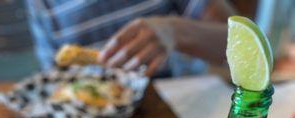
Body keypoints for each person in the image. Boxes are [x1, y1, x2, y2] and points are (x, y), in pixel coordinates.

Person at [25, 0, 236, 77]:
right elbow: (53, 75)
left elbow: (243, 46)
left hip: (181, 111)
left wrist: (175, 31)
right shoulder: (41, 4)